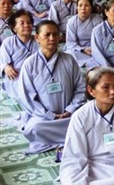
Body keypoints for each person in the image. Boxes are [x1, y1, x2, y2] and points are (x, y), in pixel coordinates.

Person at [17, 20, 85, 154]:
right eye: (47, 35)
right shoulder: (29, 64)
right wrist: (50, 115)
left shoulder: (69, 60)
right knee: (34, 128)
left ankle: (57, 137)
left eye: (55, 34)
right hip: (43, 118)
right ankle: (69, 137)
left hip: (69, 115)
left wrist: (70, 109)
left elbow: (80, 88)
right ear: (37, 38)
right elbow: (28, 97)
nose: (52, 38)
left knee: (87, 121)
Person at [0, 10, 36, 99]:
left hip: (36, 75)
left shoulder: (39, 40)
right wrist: (6, 67)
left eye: (29, 23)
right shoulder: (8, 42)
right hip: (17, 76)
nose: (26, 25)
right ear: (14, 28)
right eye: (22, 23)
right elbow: (2, 62)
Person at [64, 0, 102, 68]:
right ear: (77, 7)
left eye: (86, 5)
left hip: (94, 49)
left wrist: (93, 49)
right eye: (80, 5)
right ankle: (92, 63)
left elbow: (101, 39)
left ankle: (90, 62)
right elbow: (71, 42)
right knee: (69, 54)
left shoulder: (98, 19)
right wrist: (83, 50)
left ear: (91, 8)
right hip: (79, 50)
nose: (83, 8)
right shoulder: (72, 21)